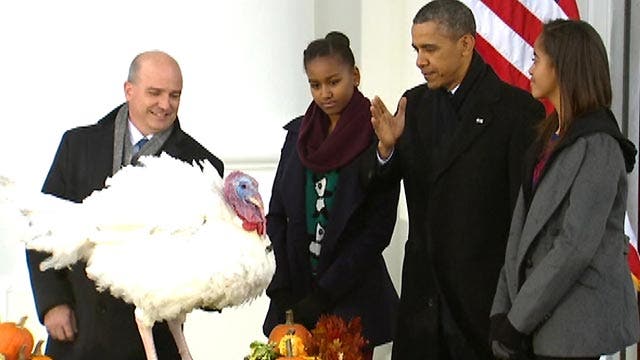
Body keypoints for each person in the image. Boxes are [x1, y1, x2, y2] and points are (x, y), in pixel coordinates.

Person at [368, 0, 545, 358]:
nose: (420, 60)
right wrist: (386, 151)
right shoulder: (412, 106)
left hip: (482, 309)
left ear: (466, 44)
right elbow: (379, 193)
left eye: (430, 49)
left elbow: (523, 217)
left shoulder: (518, 112)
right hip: (422, 308)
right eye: (416, 49)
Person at [26, 50, 224, 360]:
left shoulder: (203, 165)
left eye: (174, 95)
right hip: (79, 332)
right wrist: (53, 303)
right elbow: (42, 226)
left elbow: (211, 258)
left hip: (151, 343)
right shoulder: (77, 146)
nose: (165, 104)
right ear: (128, 90)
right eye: (154, 93)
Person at [490, 19, 639, 360]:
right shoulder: (547, 139)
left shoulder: (599, 145)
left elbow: (575, 246)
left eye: (536, 59)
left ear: (562, 67)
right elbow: (520, 231)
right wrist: (502, 311)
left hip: (573, 326)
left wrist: (518, 321)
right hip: (532, 318)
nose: (529, 68)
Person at [262, 31, 400, 359]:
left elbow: (376, 229)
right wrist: (282, 280)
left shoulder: (376, 134)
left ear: (355, 76)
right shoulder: (298, 134)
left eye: (334, 81)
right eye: (315, 84)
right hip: (297, 293)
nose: (325, 93)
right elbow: (278, 213)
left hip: (349, 297)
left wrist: (325, 293)